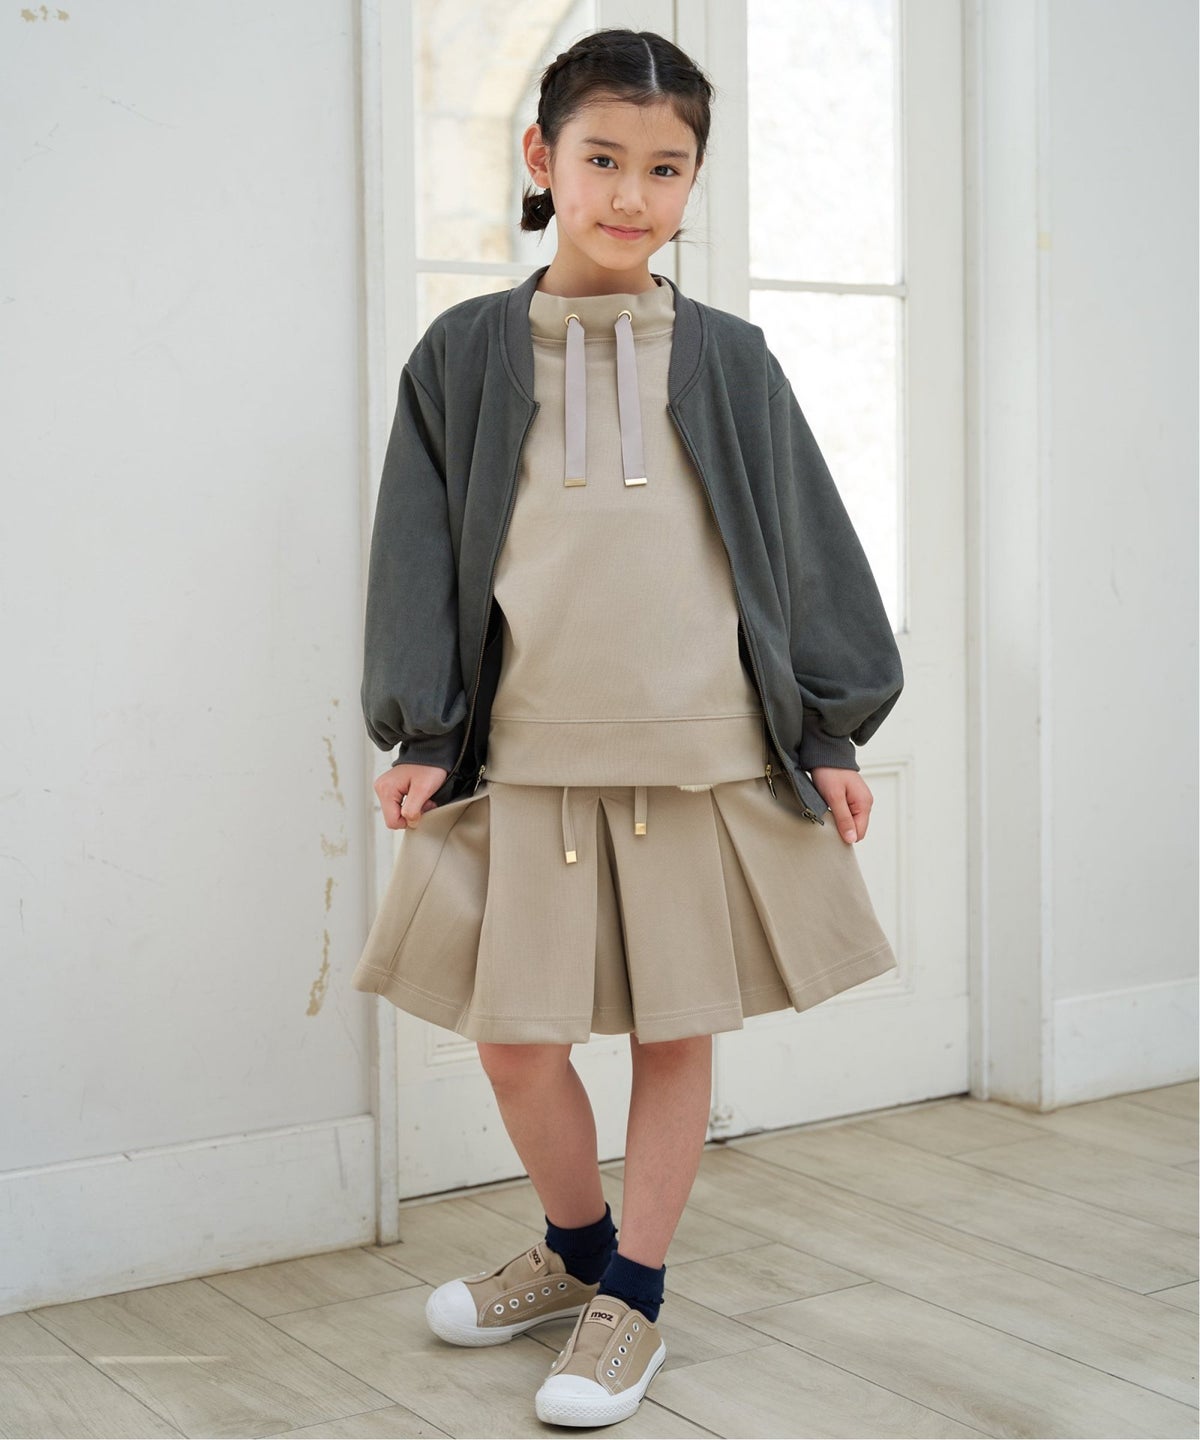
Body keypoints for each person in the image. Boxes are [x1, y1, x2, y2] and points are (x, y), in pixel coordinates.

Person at [351, 26, 904, 1430]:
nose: (633, 193)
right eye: (604, 158)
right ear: (543, 160)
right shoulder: (464, 355)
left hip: (701, 752)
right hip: (528, 750)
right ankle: (578, 1249)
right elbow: (417, 552)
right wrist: (425, 731)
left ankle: (634, 1298)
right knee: (515, 1041)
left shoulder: (733, 360)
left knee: (675, 1030)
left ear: (694, 182)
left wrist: (830, 735)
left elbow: (804, 550)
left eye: (668, 167)